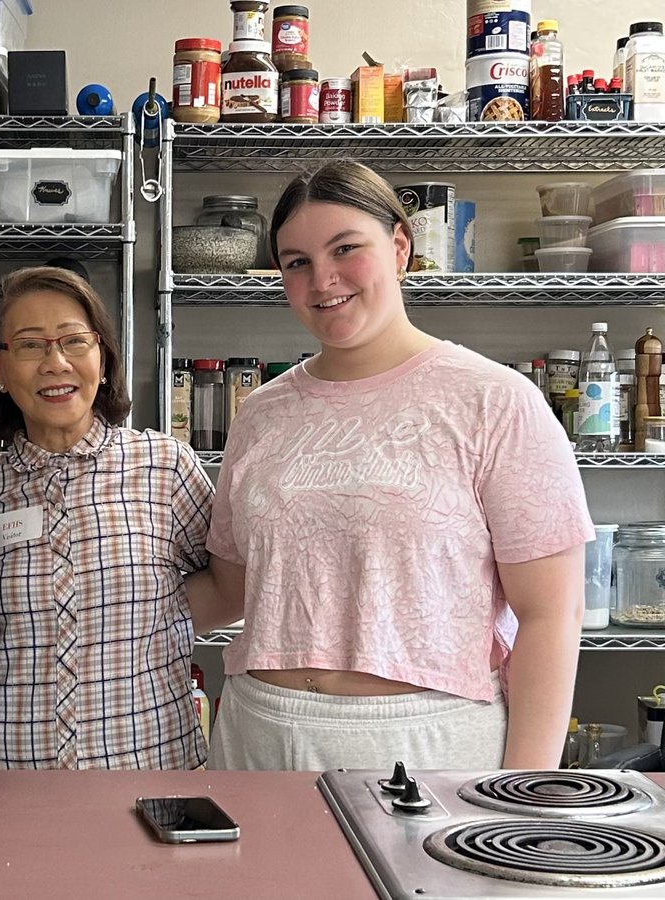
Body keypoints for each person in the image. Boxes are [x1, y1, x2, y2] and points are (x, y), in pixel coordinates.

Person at [204, 160, 593, 771]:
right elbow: (230, 591)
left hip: (428, 744)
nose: (323, 279)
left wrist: (522, 793)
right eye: (297, 261)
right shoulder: (261, 412)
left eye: (345, 249)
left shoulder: (493, 400)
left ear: (400, 247)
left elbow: (551, 615)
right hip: (258, 733)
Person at [0, 266, 223, 770]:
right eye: (28, 345)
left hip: (149, 764)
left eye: (74, 341)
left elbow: (227, 585)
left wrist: (149, 618)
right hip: (10, 772)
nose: (55, 362)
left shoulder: (164, 466)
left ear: (103, 356)